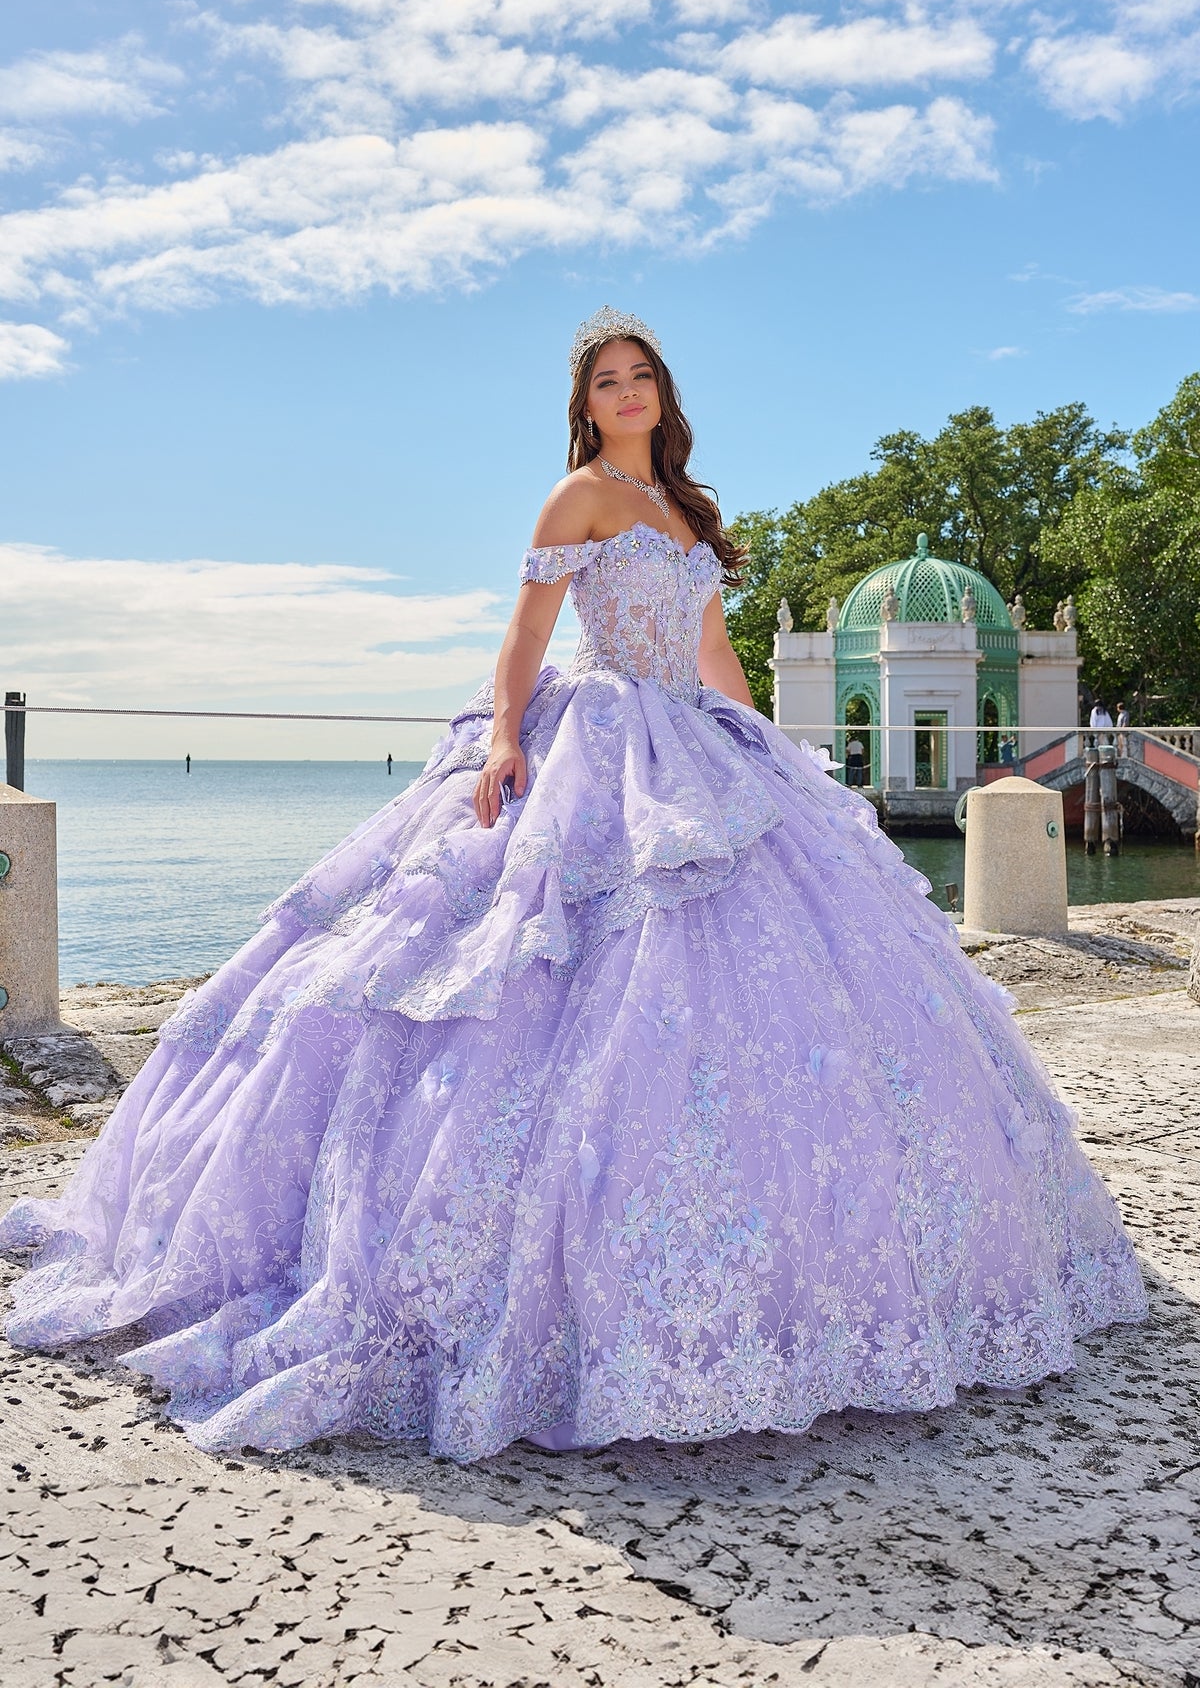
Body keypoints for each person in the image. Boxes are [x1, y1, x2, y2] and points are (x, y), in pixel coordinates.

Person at [0, 307, 1145, 1465]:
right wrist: (505, 738)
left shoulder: (689, 511)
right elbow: (526, 633)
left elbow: (714, 652)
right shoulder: (581, 497)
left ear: (665, 392)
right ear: (586, 402)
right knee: (530, 962)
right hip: (597, 736)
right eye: (609, 379)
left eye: (643, 375)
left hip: (694, 735)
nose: (630, 392)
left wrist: (763, 746)